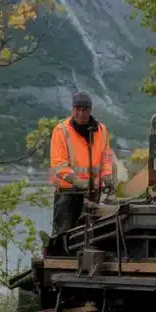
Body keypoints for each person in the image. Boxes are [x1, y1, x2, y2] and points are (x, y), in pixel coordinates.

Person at [48, 92, 115, 238]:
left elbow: (106, 158)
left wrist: (107, 177)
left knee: (90, 234)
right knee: (63, 234)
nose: (80, 113)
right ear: (72, 109)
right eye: (77, 109)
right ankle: (62, 258)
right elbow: (58, 165)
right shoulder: (61, 131)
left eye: (84, 110)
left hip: (92, 193)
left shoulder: (102, 130)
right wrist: (78, 181)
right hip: (68, 194)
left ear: (90, 111)